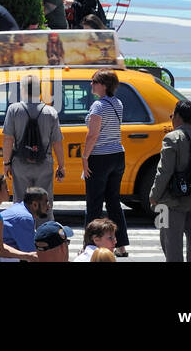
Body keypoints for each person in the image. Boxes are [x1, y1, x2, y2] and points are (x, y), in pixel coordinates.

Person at [148, 99, 191, 262]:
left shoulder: (171, 138)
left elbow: (164, 171)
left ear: (177, 116)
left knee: (172, 244)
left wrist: (154, 194)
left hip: (173, 201)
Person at [2, 74, 64, 222]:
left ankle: (22, 234)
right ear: (40, 90)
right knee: (44, 202)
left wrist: (6, 163)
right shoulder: (50, 112)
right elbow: (57, 142)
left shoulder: (14, 110)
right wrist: (61, 166)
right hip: (44, 164)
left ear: (23, 89)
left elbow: (8, 139)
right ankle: (46, 237)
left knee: (21, 202)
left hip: (20, 164)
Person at [83, 68, 128, 256]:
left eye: (94, 81)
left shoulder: (98, 106)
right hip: (117, 155)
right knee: (113, 202)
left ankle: (89, 246)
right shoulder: (117, 103)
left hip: (99, 157)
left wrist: (84, 157)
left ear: (103, 85)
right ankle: (121, 245)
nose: (91, 84)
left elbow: (92, 134)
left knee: (94, 203)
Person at [0, 187, 49, 262]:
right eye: (46, 202)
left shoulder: (19, 207)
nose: (49, 206)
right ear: (35, 204)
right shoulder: (25, 218)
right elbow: (32, 254)